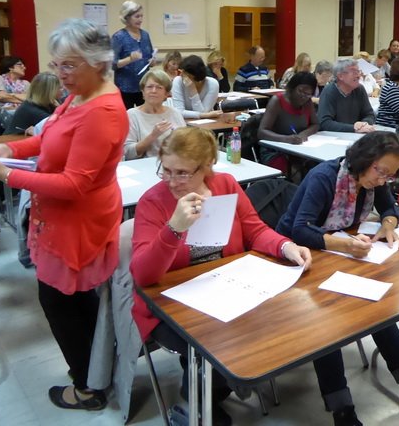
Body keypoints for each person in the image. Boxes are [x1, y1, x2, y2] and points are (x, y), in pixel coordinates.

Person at [0, 18, 128, 411]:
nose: (60, 74)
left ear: (99, 62)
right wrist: (9, 150)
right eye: (57, 64)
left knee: (62, 304)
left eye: (69, 65)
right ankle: (97, 372)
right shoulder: (79, 95)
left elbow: (74, 184)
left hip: (78, 220)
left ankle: (88, 387)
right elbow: (49, 137)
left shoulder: (102, 110)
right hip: (61, 216)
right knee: (75, 302)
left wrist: (6, 174)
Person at [130, 128, 311, 426]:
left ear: (207, 165)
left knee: (275, 318)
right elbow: (143, 274)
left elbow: (254, 230)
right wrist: (173, 229)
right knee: (214, 344)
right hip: (171, 302)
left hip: (225, 286)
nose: (172, 181)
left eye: (183, 173)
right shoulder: (153, 201)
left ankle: (215, 386)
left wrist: (285, 246)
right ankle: (205, 394)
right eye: (167, 171)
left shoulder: (225, 184)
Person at [277, 131, 399, 426]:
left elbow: (390, 207)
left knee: (376, 307)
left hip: (335, 256)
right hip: (297, 257)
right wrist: (345, 245)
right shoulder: (325, 177)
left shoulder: (372, 181)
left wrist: (388, 225)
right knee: (326, 324)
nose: (383, 180)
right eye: (380, 171)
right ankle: (343, 410)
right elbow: (300, 229)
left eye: (389, 175)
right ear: (363, 160)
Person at [258, 71, 320, 172]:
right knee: (295, 173)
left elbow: (315, 124)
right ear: (292, 87)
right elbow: (262, 132)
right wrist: (286, 139)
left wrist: (304, 134)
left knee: (316, 167)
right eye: (300, 91)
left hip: (300, 150)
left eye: (308, 94)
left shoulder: (308, 103)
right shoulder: (277, 101)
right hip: (275, 151)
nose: (303, 96)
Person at [124, 69, 185, 160]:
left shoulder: (175, 113)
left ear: (166, 94)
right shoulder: (132, 115)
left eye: (159, 87)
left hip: (173, 163)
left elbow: (185, 144)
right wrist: (153, 136)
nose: (153, 91)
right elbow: (128, 153)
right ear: (143, 92)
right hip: (143, 165)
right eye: (149, 87)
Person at [112, 0, 155, 109]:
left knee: (146, 114)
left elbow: (149, 57)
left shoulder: (145, 35)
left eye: (141, 16)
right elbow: (112, 64)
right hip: (125, 88)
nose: (140, 19)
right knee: (128, 117)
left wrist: (152, 61)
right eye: (137, 16)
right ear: (127, 18)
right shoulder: (118, 37)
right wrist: (129, 59)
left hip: (144, 86)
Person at [317, 59, 375, 133]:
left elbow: (369, 114)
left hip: (356, 135)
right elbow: (324, 123)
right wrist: (353, 128)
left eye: (358, 71)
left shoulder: (360, 89)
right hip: (335, 136)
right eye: (354, 72)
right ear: (340, 76)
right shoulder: (329, 92)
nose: (358, 75)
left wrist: (363, 124)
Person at [0, 55, 30, 134]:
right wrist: (22, 98)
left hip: (19, 113)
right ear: (10, 68)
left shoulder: (26, 84)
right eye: (20, 65)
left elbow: (31, 98)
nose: (24, 67)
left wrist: (12, 95)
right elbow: (1, 96)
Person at [171, 55, 224, 120]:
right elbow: (179, 112)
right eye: (181, 73)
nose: (183, 77)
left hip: (205, 123)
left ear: (198, 79)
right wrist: (203, 115)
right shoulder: (178, 81)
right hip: (183, 121)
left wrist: (193, 91)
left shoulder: (213, 84)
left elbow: (204, 112)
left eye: (186, 75)